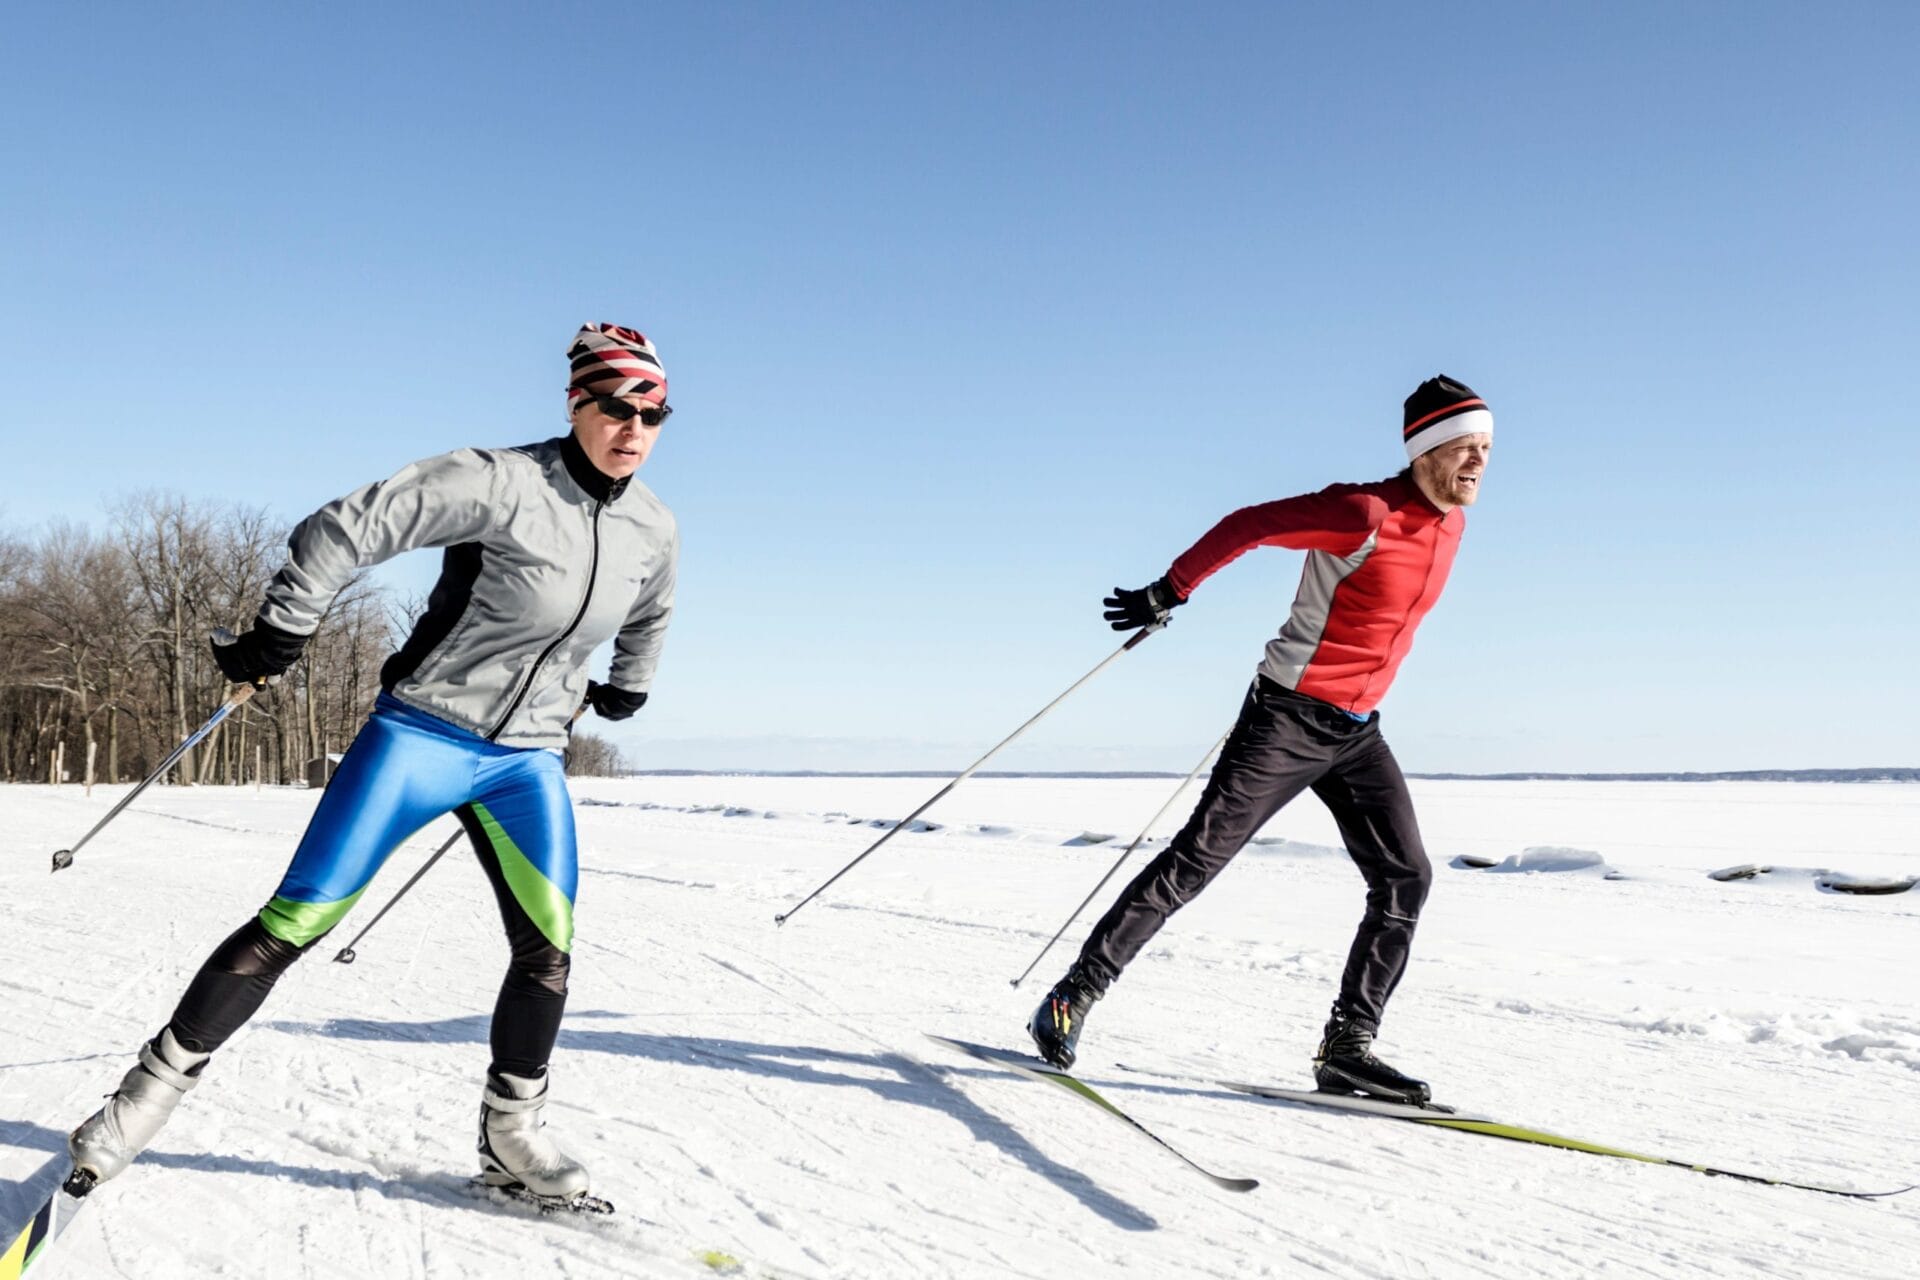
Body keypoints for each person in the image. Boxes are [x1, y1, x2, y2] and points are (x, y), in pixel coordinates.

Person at [68, 323, 680, 1205]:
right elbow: (346, 526)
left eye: (654, 415)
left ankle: (513, 1139)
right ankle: (138, 1104)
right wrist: (287, 623)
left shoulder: (652, 526)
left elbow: (651, 610)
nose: (634, 430)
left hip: (527, 762)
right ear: (577, 403)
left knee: (548, 954)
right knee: (292, 926)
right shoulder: (499, 481)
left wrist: (631, 682)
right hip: (423, 737)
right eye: (617, 408)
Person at [1028, 375, 1493, 1104]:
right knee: (1196, 861)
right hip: (1286, 718)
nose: (1479, 463)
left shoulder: (1453, 525)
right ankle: (1072, 996)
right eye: (1466, 447)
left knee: (1407, 877)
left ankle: (1348, 1048)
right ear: (1426, 449)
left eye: (1488, 449)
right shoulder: (1362, 511)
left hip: (1358, 733)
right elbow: (1249, 522)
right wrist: (1169, 590)